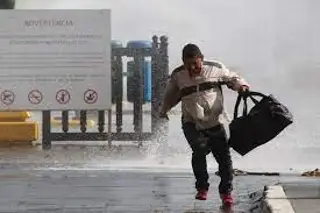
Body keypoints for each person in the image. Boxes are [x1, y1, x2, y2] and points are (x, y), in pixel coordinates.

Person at [158, 43, 250, 206]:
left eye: (196, 63)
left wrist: (242, 86)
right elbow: (170, 94)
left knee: (224, 160)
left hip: (215, 121)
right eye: (188, 65)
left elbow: (232, 78)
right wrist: (164, 110)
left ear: (201, 58)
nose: (193, 68)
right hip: (191, 122)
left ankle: (226, 193)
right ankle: (202, 187)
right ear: (183, 62)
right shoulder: (178, 75)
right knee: (199, 148)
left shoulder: (215, 68)